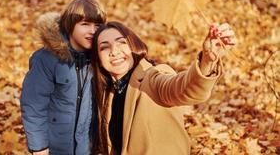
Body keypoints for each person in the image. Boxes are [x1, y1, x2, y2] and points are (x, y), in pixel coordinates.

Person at [91, 21, 236, 155]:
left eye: (121, 43)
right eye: (104, 47)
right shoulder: (108, 93)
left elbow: (183, 88)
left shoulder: (153, 77)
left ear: (133, 46)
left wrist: (207, 61)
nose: (114, 51)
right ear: (98, 58)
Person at [20, 0, 106, 155]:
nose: (92, 31)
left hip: (87, 147)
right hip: (55, 147)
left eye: (97, 25)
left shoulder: (100, 59)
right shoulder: (47, 59)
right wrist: (39, 147)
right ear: (70, 26)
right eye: (85, 24)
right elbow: (33, 105)